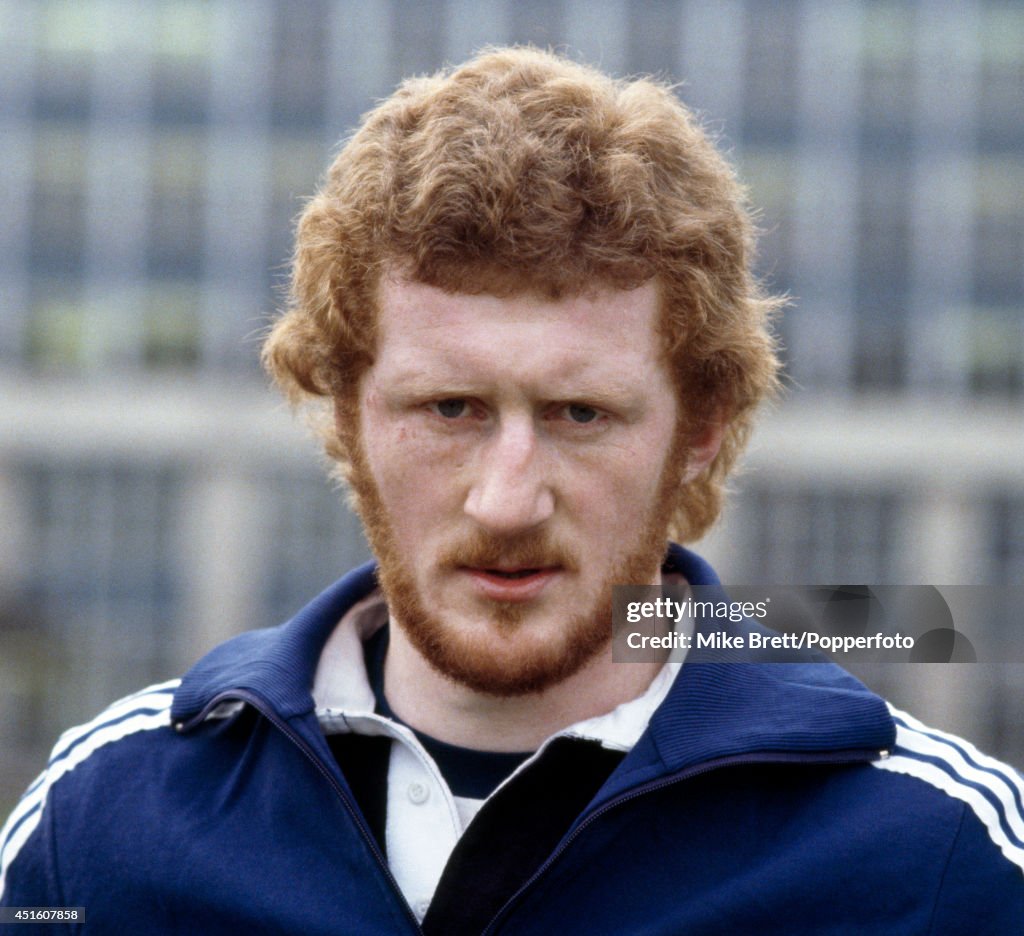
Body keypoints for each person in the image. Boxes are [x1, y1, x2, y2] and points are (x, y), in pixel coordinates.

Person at [1, 46, 1021, 934]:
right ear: (347, 412)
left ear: (700, 430)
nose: (505, 501)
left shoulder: (939, 857)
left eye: (581, 415)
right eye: (450, 409)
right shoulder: (102, 824)